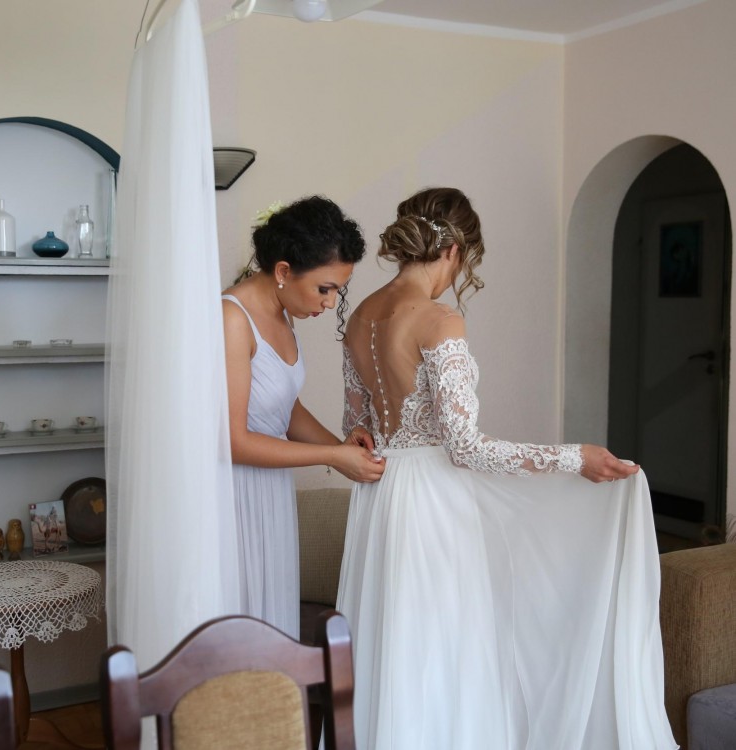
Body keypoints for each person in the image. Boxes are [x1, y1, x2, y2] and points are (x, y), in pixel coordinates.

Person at [337, 187, 677, 749]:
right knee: (443, 646)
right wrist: (575, 457)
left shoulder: (358, 319)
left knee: (393, 642)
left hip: (380, 493)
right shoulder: (439, 320)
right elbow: (466, 448)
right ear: (454, 250)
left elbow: (355, 427)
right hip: (436, 503)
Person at [222, 195, 384, 639]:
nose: (330, 303)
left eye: (337, 291)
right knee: (240, 626)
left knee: (270, 624)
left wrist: (341, 447)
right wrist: (331, 456)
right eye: (324, 289)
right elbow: (234, 441)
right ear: (282, 271)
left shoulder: (283, 314)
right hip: (233, 494)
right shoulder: (231, 319)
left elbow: (285, 408)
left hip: (270, 489)